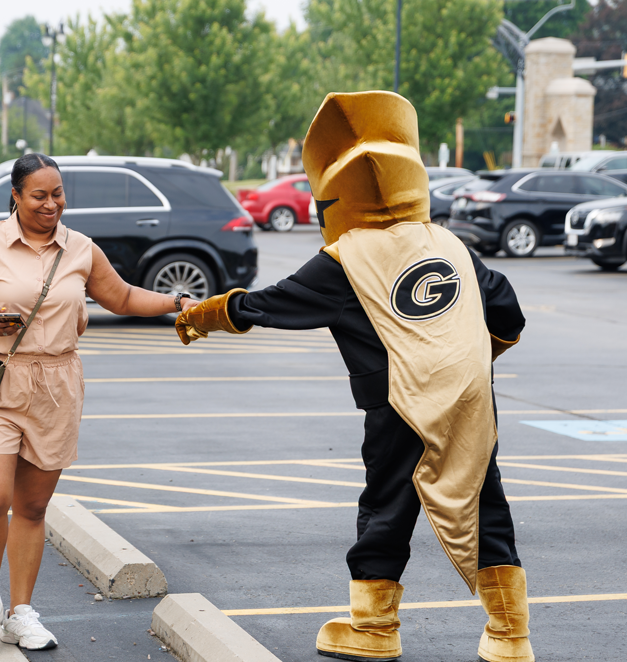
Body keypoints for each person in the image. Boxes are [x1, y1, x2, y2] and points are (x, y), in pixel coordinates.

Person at [175, 92, 533, 662]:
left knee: (387, 509)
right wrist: (467, 359)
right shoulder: (450, 244)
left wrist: (199, 316)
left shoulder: (346, 256)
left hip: (398, 403)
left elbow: (268, 304)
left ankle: (373, 630)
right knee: (485, 504)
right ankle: (511, 638)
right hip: (469, 401)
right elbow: (507, 310)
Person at [0, 153, 199, 652]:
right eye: (39, 194)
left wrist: (178, 302)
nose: (51, 203)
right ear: (15, 195)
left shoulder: (80, 248)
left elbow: (121, 298)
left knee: (33, 507)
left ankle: (21, 612)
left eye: (57, 193)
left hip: (57, 384)